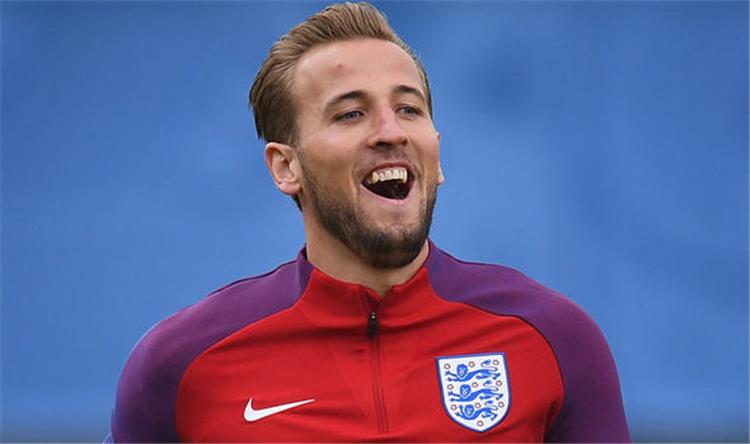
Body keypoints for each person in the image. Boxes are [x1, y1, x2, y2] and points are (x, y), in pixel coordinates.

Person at [107, 2, 631, 442]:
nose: (390, 132)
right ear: (286, 167)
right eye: (350, 114)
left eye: (409, 109)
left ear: (436, 152)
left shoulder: (553, 338)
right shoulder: (181, 364)